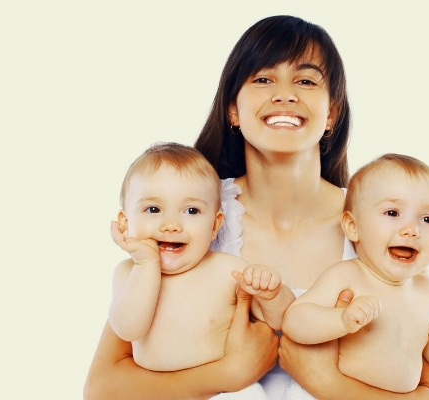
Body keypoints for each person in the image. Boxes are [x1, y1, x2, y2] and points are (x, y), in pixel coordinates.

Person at [84, 15, 429, 400]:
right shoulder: (185, 216)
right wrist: (228, 374)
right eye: (263, 79)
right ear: (232, 109)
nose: (284, 94)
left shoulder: (382, 223)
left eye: (306, 80)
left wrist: (326, 382)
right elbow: (102, 387)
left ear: (331, 112)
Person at [282, 153, 429, 396]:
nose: (412, 229)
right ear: (353, 226)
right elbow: (295, 320)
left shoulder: (428, 290)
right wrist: (340, 320)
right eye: (392, 213)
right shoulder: (347, 275)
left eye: (427, 219)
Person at [107, 142, 295, 398]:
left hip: (227, 393)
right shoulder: (128, 273)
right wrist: (146, 263)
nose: (171, 225)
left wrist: (272, 294)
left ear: (215, 224)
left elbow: (279, 319)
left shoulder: (227, 270)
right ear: (125, 223)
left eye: (191, 211)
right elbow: (128, 329)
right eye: (153, 209)